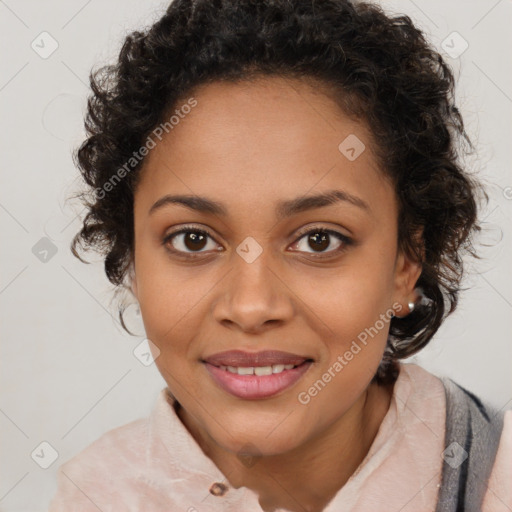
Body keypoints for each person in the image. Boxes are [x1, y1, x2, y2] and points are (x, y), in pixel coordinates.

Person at [48, 0, 511, 510]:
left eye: (319, 240)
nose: (251, 307)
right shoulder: (92, 493)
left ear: (406, 263)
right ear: (133, 261)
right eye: (193, 239)